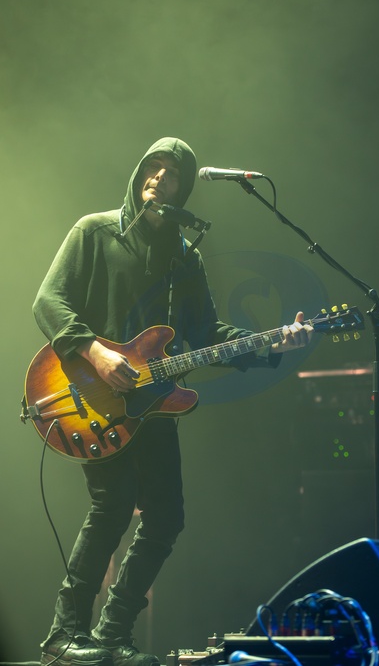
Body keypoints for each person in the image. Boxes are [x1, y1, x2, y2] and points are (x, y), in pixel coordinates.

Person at [33, 137, 312, 666]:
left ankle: (112, 632)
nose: (160, 178)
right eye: (153, 167)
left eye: (173, 173)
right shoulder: (94, 231)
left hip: (155, 403)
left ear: (183, 190)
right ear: (140, 173)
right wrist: (95, 352)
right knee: (112, 506)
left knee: (166, 517)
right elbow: (48, 300)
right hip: (94, 397)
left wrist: (272, 342)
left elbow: (206, 333)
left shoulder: (186, 256)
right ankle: (64, 633)